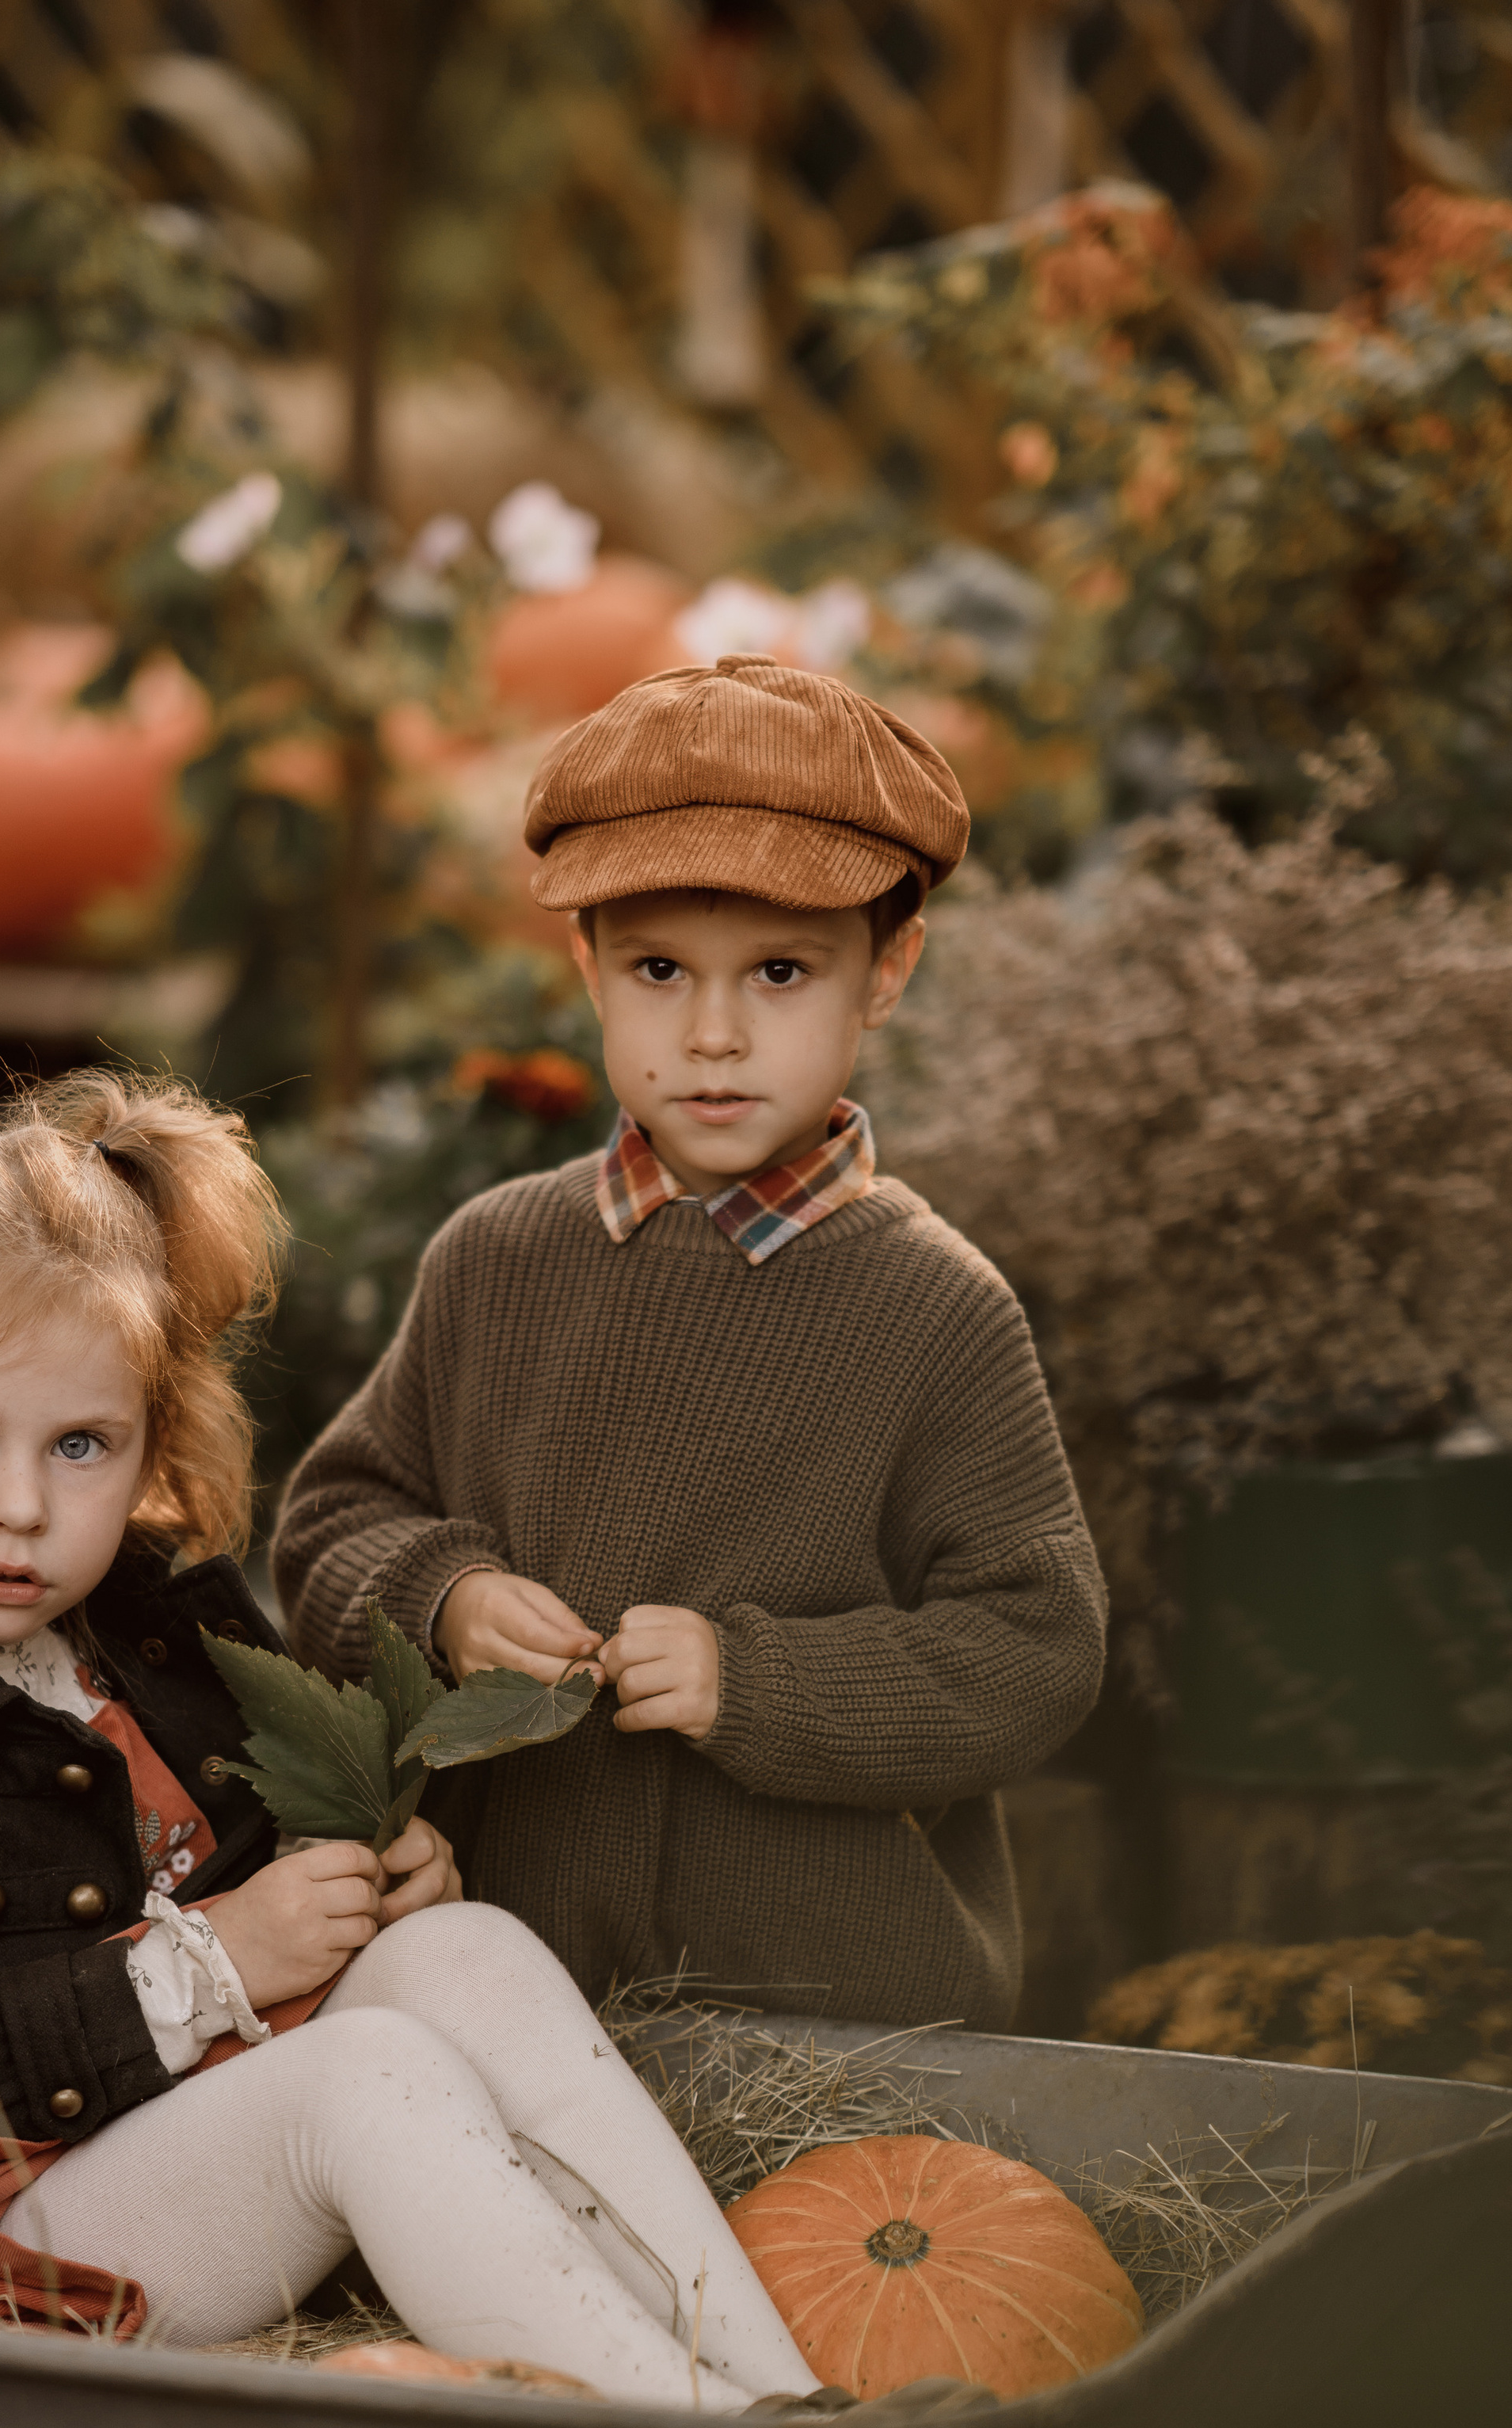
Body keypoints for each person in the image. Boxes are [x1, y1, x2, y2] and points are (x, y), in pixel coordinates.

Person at [0, 1060, 825, 2417]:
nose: (19, 1504)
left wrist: (366, 1880)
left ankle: (786, 2400)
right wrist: (214, 1964)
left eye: (81, 1446)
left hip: (174, 2130)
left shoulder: (149, 1617)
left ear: (149, 1445)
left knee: (459, 1952)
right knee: (370, 2079)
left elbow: (243, 1849)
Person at [274, 654, 1108, 2045]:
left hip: (836, 2030)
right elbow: (329, 1525)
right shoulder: (496, 1260)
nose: (713, 1036)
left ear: (886, 970)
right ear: (588, 965)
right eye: (661, 970)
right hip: (508, 1995)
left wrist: (757, 1685)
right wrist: (449, 1598)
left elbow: (1037, 1648)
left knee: (821, 2266)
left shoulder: (934, 1314)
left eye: (782, 972)